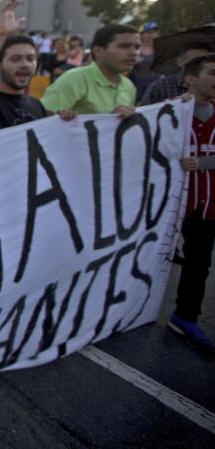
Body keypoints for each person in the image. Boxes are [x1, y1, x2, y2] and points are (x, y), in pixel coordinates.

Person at [0, 0, 76, 131]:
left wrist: (65, 121)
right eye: (15, 59)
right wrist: (0, 34)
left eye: (30, 59)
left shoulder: (37, 106)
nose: (25, 64)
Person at [169, 53, 215, 354]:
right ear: (191, 79)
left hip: (208, 206)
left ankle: (186, 317)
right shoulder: (168, 113)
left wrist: (205, 161)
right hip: (169, 206)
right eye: (212, 73)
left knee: (199, 265)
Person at [40, 24, 139, 116]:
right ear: (98, 51)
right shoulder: (74, 79)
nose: (134, 53)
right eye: (124, 46)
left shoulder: (129, 87)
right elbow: (42, 121)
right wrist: (109, 120)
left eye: (137, 47)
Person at [140, 41, 213, 105]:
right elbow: (144, 114)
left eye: (205, 60)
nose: (200, 64)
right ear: (180, 62)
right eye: (195, 61)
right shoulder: (159, 86)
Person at [130, 21, 160, 100]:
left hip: (155, 83)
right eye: (148, 32)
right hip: (136, 83)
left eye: (154, 32)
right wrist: (133, 60)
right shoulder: (135, 47)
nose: (151, 35)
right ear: (141, 34)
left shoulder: (160, 48)